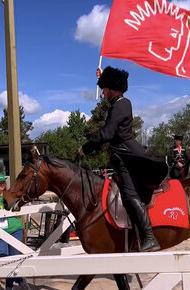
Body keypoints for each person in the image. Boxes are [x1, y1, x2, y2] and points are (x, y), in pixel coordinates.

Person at [78, 66, 168, 252]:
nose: (102, 92)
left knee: (129, 193)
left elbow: (107, 133)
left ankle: (149, 237)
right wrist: (104, 76)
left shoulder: (122, 104)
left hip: (128, 156)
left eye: (104, 88)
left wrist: (85, 148)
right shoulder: (118, 103)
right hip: (121, 155)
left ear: (111, 88)